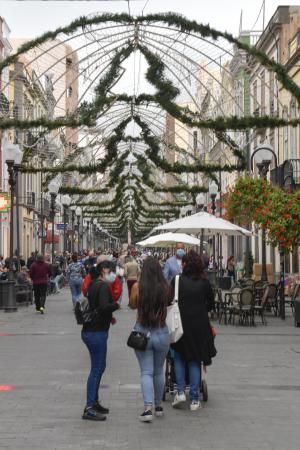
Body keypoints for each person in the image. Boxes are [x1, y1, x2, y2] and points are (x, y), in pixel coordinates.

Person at [171, 250, 216, 411]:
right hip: (199, 326)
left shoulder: (177, 281)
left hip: (180, 325)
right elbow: (211, 304)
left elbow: (170, 301)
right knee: (195, 360)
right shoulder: (205, 283)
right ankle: (195, 399)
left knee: (179, 357)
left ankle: (181, 392)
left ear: (184, 264)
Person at [129, 257, 170, 423]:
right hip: (162, 332)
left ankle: (148, 409)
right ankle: (159, 406)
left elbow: (132, 305)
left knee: (146, 372)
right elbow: (169, 304)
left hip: (143, 332)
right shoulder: (166, 287)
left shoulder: (138, 287)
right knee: (159, 371)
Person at [81, 261, 120, 421]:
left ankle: (94, 402)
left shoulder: (93, 284)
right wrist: (115, 306)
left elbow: (96, 306)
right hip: (96, 332)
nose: (113, 274)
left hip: (91, 330)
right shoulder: (103, 286)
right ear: (104, 270)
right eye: (111, 271)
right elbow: (104, 306)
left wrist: (109, 317)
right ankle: (89, 407)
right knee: (97, 368)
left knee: (99, 366)